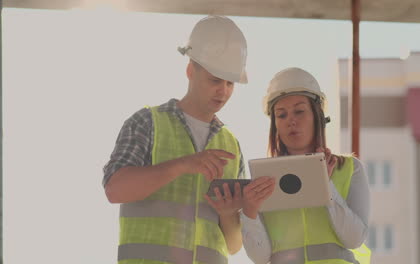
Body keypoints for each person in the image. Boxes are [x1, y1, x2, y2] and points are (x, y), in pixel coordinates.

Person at [102, 16, 249, 264]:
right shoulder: (147, 123)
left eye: (230, 83)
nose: (223, 91)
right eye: (215, 80)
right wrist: (182, 165)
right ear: (191, 70)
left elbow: (234, 246)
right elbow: (115, 189)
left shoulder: (231, 145)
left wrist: (227, 214)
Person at [240, 67, 371, 264]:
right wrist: (249, 213)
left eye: (299, 111)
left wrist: (324, 184)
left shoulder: (350, 169)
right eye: (281, 115)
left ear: (317, 115)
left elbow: (354, 239)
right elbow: (260, 257)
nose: (291, 121)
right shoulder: (263, 179)